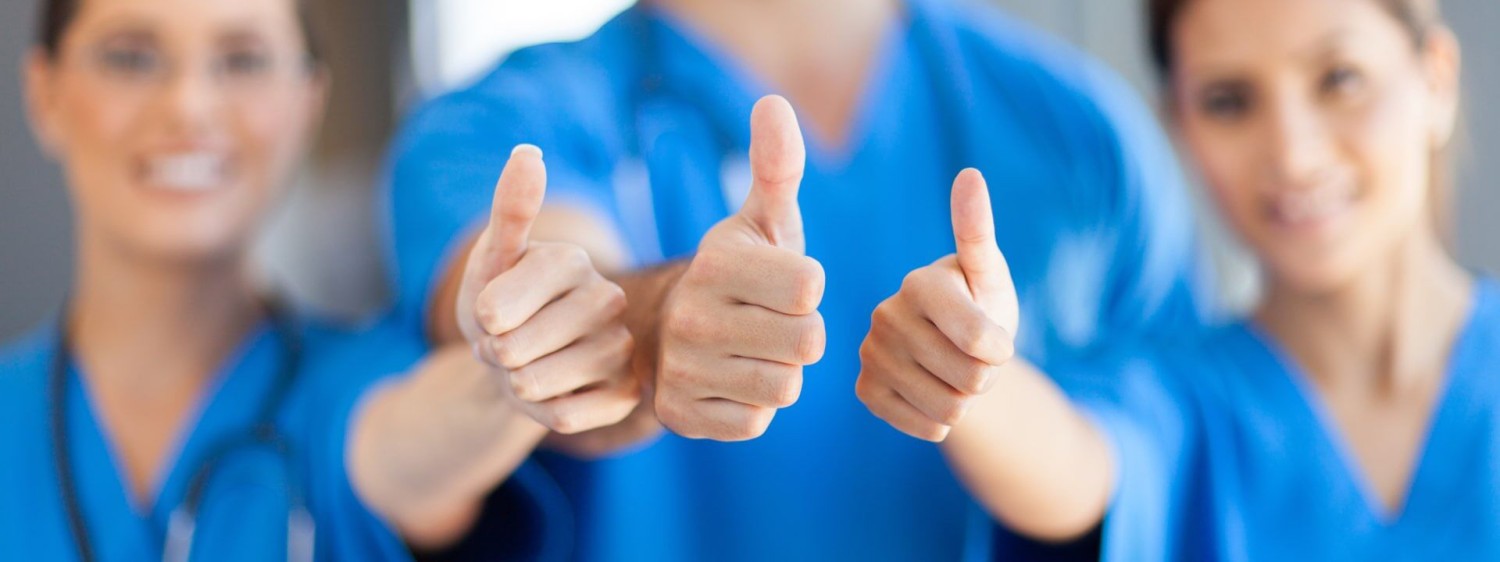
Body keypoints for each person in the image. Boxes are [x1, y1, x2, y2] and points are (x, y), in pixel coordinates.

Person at [384, 0, 1211, 558]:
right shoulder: (492, 127)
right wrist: (646, 321)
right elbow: (545, 279)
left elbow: (1162, 463)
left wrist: (985, 385)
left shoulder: (1082, 138)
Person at [0, 0, 638, 559]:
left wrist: (511, 366)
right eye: (131, 58)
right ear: (44, 93)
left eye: (244, 59)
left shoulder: (362, 382)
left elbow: (409, 446)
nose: (188, 106)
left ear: (308, 101)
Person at [858, 0, 1494, 559]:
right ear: (1178, 127)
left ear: (1436, 78)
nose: (1293, 155)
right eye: (1229, 101)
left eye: (1340, 79)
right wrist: (971, 370)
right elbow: (1078, 463)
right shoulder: (1176, 403)